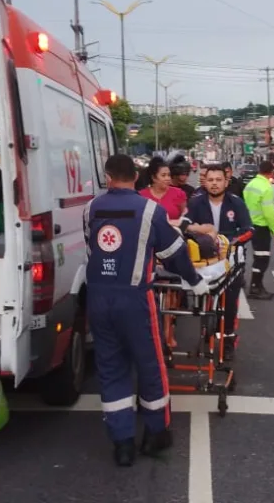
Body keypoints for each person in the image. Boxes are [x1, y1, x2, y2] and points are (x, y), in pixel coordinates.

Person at [84, 154, 209, 467]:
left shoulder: (91, 208)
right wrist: (194, 281)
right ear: (137, 177)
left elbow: (93, 248)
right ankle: (155, 434)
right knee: (150, 365)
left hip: (99, 299)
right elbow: (174, 252)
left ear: (107, 175)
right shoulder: (149, 209)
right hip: (135, 299)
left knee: (111, 368)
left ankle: (122, 445)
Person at [181, 164, 253, 360]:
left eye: (218, 180)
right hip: (205, 260)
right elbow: (185, 225)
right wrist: (200, 235)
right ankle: (206, 333)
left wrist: (230, 242)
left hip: (231, 259)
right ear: (205, 182)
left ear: (226, 181)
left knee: (230, 303)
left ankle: (228, 340)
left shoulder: (236, 203)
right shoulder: (196, 202)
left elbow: (248, 229)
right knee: (204, 297)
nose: (214, 184)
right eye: (210, 180)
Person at [243, 161, 274, 300]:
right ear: (271, 172)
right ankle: (255, 287)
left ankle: (257, 286)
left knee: (258, 257)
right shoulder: (266, 187)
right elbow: (269, 213)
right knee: (262, 259)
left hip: (250, 226)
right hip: (261, 227)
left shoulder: (251, 184)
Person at [140, 157, 188, 224]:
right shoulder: (142, 196)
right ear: (153, 178)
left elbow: (185, 217)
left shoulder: (179, 193)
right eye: (163, 175)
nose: (167, 178)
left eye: (169, 175)